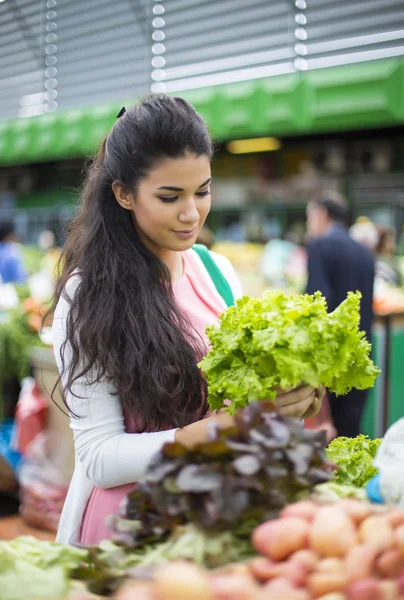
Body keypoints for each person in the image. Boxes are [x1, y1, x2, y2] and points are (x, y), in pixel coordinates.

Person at [51, 94, 323, 546]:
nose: (191, 213)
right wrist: (211, 432)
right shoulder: (88, 295)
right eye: (169, 196)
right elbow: (99, 457)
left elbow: (240, 401)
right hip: (134, 531)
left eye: (203, 191)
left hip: (217, 517)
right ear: (123, 194)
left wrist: (285, 404)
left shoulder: (216, 272)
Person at [306, 195, 375, 438]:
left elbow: (317, 301)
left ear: (322, 214)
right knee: (351, 431)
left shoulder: (320, 246)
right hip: (361, 353)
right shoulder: (365, 252)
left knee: (328, 436)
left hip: (331, 357)